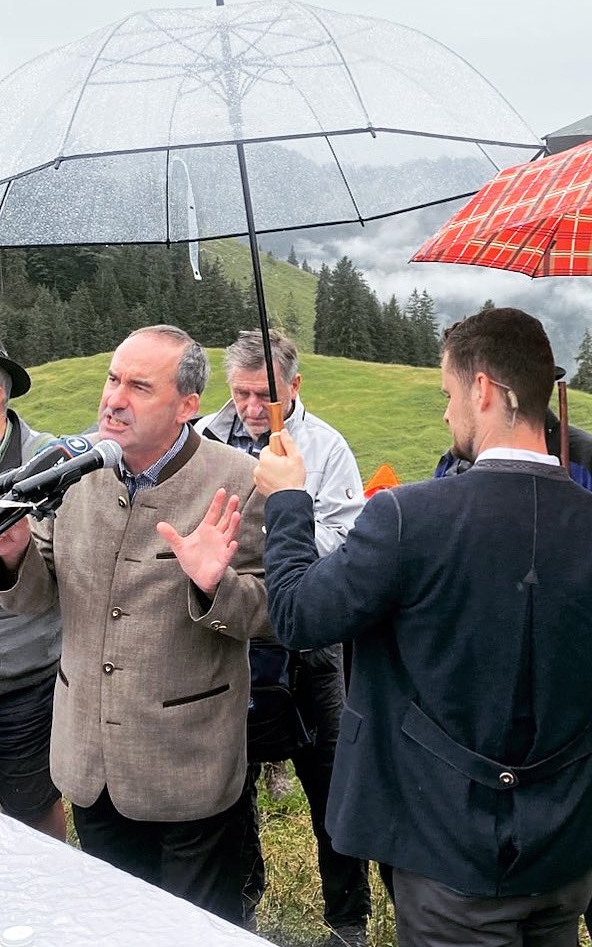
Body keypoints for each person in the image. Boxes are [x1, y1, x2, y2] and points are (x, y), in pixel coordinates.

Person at [254, 307, 592, 947]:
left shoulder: (405, 518)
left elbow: (299, 614)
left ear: (483, 391)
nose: (446, 415)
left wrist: (286, 502)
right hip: (567, 847)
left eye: (449, 395)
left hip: (443, 850)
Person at [0, 325, 268, 923]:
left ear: (188, 404)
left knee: (197, 929)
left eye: (139, 387)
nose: (114, 399)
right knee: (114, 922)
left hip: (189, 767)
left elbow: (277, 613)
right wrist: (15, 555)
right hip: (90, 763)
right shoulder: (70, 471)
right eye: (113, 379)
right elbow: (38, 597)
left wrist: (213, 585)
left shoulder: (241, 482)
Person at [436, 373, 592, 947]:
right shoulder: (454, 465)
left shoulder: (591, 463)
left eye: (451, 392)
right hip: (487, 723)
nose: (448, 409)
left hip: (585, 718)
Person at [195, 328, 371, 944]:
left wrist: (278, 528)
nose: (248, 407)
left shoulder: (325, 447)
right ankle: (242, 904)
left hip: (307, 643)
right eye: (240, 393)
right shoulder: (203, 440)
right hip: (229, 639)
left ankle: (347, 920)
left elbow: (346, 540)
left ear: (294, 386)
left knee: (330, 782)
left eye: (263, 395)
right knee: (227, 783)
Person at [0, 343, 66, 842]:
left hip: (25, 681)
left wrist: (18, 557)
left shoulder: (49, 466)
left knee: (33, 812)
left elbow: (69, 572)